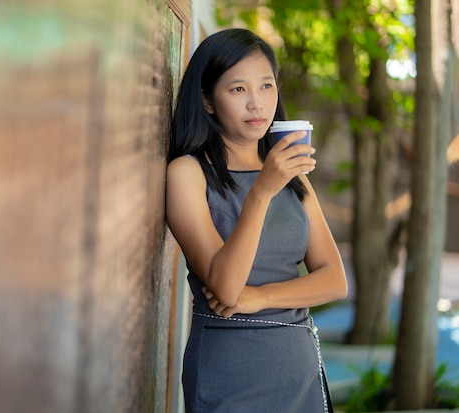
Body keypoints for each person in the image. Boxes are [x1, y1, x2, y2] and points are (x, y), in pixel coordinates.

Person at [165, 28, 348, 413]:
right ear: (207, 101)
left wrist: (259, 297)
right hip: (230, 370)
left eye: (266, 86)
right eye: (238, 90)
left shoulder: (290, 173)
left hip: (298, 369)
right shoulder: (189, 173)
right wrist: (262, 192)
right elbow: (226, 289)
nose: (256, 104)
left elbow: (334, 280)